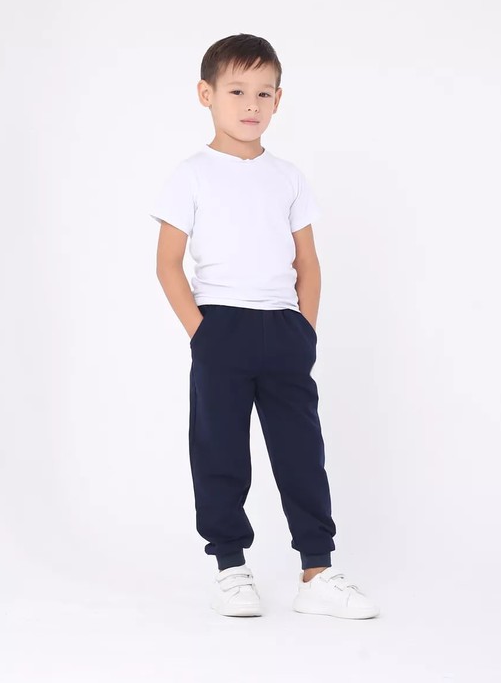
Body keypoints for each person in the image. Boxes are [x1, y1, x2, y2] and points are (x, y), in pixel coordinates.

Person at [149, 33, 380, 620]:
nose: (251, 105)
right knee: (220, 451)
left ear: (278, 99)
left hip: (284, 330)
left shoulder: (288, 177)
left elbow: (308, 262)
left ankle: (317, 571)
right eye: (236, 91)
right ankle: (231, 568)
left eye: (264, 93)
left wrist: (305, 330)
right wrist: (201, 332)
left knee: (301, 452)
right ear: (206, 94)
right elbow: (168, 263)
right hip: (220, 327)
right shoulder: (191, 174)